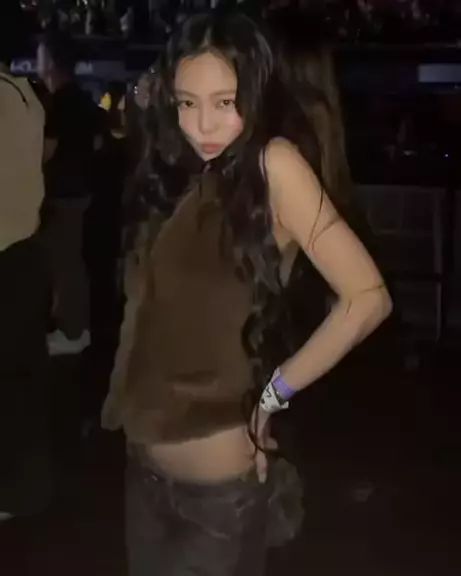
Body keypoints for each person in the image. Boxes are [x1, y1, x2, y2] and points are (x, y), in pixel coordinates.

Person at [102, 11, 392, 576]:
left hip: (218, 498)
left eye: (225, 102)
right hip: (142, 473)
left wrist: (273, 395)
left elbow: (367, 297)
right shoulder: (177, 168)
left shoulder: (272, 165)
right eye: (187, 103)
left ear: (255, 94)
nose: (203, 124)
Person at [0, 0, 51, 521]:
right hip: (24, 249)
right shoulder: (25, 93)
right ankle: (22, 491)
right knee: (20, 380)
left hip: (4, 253)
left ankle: (12, 492)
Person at [37, 31, 101, 356]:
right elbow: (98, 141)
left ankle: (73, 332)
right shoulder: (82, 98)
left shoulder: (58, 103)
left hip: (63, 193)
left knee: (65, 263)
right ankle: (71, 325)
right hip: (81, 190)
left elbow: (45, 153)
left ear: (50, 62)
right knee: (68, 260)